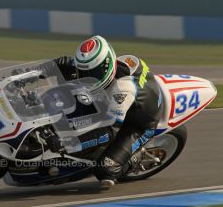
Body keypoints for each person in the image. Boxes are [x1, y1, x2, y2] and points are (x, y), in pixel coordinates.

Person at [53, 35, 163, 187]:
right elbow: (65, 63)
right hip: (117, 103)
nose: (89, 78)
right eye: (85, 73)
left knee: (105, 169)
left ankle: (136, 158)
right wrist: (33, 72)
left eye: (94, 73)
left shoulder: (122, 90)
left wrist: (66, 142)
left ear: (107, 65)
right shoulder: (99, 64)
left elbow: (109, 131)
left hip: (138, 124)